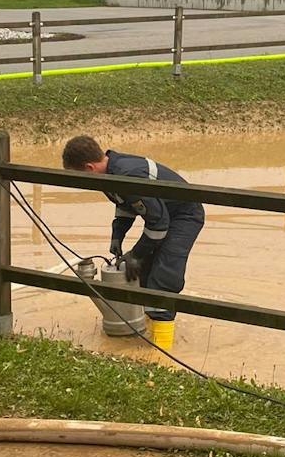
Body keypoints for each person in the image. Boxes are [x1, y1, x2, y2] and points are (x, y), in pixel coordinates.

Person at [61, 135, 204, 351]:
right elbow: (126, 204)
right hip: (163, 217)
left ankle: (162, 354)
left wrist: (136, 254)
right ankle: (148, 331)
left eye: (79, 177)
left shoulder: (127, 175)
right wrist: (118, 235)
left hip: (184, 216)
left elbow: (159, 224)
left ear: (89, 167)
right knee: (143, 275)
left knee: (163, 277)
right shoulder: (110, 173)